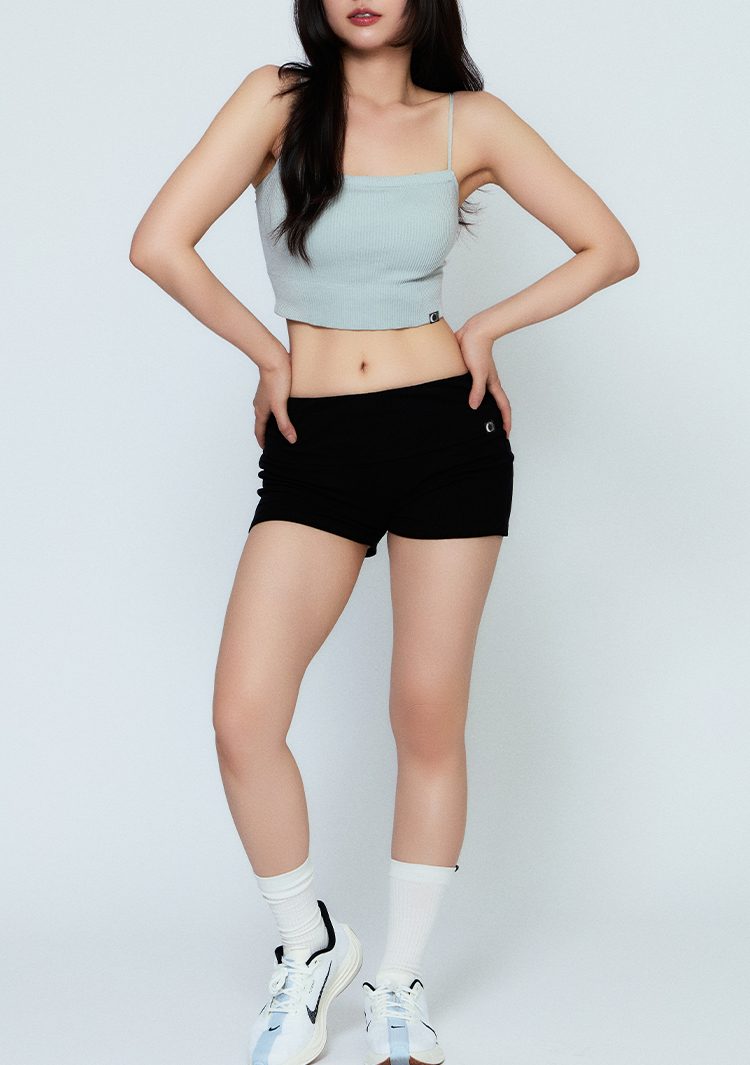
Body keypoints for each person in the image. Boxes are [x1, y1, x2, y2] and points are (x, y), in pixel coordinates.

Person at [129, 0, 639, 1061]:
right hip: (315, 443)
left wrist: (487, 326)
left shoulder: (471, 122)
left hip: (449, 434)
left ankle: (400, 981)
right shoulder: (278, 102)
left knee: (426, 714)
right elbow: (159, 244)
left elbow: (610, 248)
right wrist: (269, 356)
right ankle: (310, 946)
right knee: (243, 716)